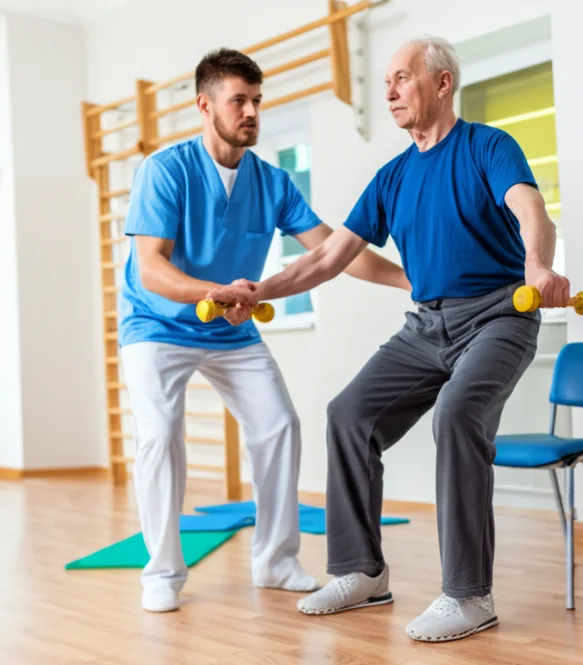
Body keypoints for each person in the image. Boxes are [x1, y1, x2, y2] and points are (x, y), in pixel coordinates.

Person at [206, 36, 571, 641]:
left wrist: (537, 264)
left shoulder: (488, 146)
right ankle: (360, 572)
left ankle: (469, 595)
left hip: (499, 316)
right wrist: (259, 290)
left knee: (457, 415)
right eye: (387, 82)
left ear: (443, 84)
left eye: (402, 78)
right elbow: (327, 259)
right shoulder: (392, 177)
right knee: (349, 414)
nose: (390, 91)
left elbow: (531, 208)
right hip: (426, 325)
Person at [119, 47, 410, 613]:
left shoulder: (272, 183)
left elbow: (334, 251)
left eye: (256, 101)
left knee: (278, 424)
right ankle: (161, 571)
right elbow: (150, 269)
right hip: (156, 326)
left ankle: (275, 561)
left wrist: (407, 282)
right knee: (158, 435)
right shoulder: (165, 170)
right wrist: (213, 292)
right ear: (205, 106)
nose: (251, 111)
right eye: (239, 101)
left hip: (229, 330)